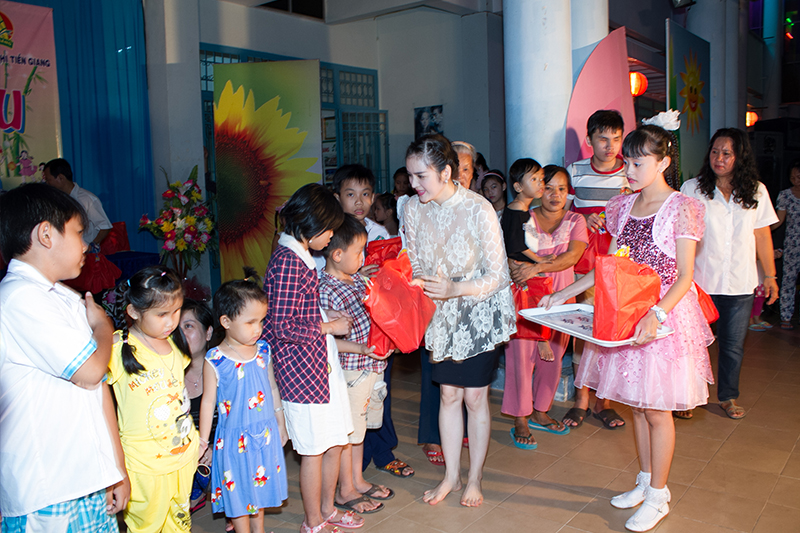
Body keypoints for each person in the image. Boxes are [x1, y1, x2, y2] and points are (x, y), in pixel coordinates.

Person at [542, 125, 714, 531]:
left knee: (656, 409)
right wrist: (564, 293)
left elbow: (685, 277)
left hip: (662, 318)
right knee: (637, 405)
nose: (629, 170)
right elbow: (611, 266)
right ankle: (644, 481)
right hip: (627, 313)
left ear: (663, 163)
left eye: (638, 163)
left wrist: (657, 315)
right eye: (628, 163)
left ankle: (659, 495)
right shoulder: (621, 206)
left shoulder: (683, 207)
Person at [0, 183, 128, 531]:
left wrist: (116, 468)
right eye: (78, 232)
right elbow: (90, 370)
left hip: (87, 476)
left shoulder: (65, 297)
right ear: (46, 234)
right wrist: (104, 327)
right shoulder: (19, 297)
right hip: (47, 486)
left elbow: (99, 387)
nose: (86, 244)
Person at [405, 134, 516, 507]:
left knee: (474, 397)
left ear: (445, 172)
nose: (414, 184)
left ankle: (475, 477)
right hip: (440, 315)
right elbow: (412, 258)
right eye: (410, 176)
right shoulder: (412, 209)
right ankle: (451, 477)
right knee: (448, 394)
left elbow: (499, 276)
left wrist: (456, 288)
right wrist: (416, 282)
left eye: (421, 176)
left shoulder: (478, 209)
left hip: (477, 312)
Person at [262, 184, 358, 533]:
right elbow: (282, 325)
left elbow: (298, 310)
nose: (331, 237)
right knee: (315, 449)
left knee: (335, 441)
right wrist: (328, 326)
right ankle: (313, 521)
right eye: (329, 229)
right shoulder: (288, 261)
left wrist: (323, 314)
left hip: (318, 365)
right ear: (310, 224)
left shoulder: (300, 254)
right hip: (301, 371)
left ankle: (327, 509)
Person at [681, 128, 779, 419]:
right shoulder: (692, 189)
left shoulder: (756, 190)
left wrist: (770, 276)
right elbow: (681, 234)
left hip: (740, 282)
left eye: (727, 153)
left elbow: (762, 235)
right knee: (693, 343)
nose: (719, 158)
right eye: (715, 152)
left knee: (733, 346)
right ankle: (688, 398)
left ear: (740, 157)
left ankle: (727, 397)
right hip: (700, 282)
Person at [107, 266, 198, 532]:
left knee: (179, 524)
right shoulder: (117, 348)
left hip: (182, 457)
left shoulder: (175, 344)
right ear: (134, 311)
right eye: (161, 314)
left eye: (176, 311)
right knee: (146, 526)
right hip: (144, 465)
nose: (171, 322)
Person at [502, 165, 588, 449]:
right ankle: (520, 417)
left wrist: (536, 267)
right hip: (526, 298)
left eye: (561, 189)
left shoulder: (576, 220)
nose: (555, 194)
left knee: (553, 359)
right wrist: (519, 269)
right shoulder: (524, 216)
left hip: (561, 299)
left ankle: (540, 410)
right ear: (539, 189)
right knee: (520, 357)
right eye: (548, 187)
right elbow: (510, 251)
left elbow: (571, 257)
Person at [198, 269, 289, 533]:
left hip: (264, 433)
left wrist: (281, 422)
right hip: (232, 440)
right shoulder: (215, 360)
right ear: (226, 321)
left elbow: (272, 387)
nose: (258, 329)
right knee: (238, 492)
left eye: (261, 321)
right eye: (250, 322)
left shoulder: (263, 351)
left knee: (259, 488)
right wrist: (202, 441)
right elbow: (207, 402)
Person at [319, 215, 394, 515]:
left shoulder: (358, 279)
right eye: (359, 251)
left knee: (358, 429)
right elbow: (328, 340)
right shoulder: (325, 289)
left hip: (370, 366)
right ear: (337, 254)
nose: (364, 257)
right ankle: (345, 489)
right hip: (350, 369)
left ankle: (357, 481)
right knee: (348, 433)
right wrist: (363, 349)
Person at [562, 109, 629, 430]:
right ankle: (581, 400)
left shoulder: (630, 172)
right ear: (589, 140)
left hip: (619, 264)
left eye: (616, 138)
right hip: (584, 262)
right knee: (584, 330)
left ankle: (605, 402)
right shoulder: (574, 171)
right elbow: (560, 212)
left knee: (610, 331)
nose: (610, 145)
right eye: (603, 138)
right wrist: (580, 218)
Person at [176, 299, 220, 515]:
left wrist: (214, 447)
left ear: (208, 332)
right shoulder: (167, 377)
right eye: (177, 328)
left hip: (222, 447)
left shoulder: (224, 370)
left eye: (189, 326)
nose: (181, 334)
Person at [43, 158, 113, 248]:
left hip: (84, 252)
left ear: (61, 178)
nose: (47, 183)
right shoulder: (54, 200)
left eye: (48, 180)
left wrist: (91, 246)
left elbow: (105, 226)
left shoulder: (87, 199)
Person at [503, 158, 554, 264]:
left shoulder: (523, 208)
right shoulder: (517, 209)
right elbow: (517, 244)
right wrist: (539, 259)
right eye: (534, 179)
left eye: (541, 179)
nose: (540, 184)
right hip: (517, 264)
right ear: (518, 187)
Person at [771, 159, 800, 329]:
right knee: (788, 281)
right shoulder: (785, 195)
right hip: (792, 245)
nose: (796, 181)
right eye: (793, 177)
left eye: (799, 177)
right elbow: (779, 220)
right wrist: (763, 230)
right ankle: (786, 317)